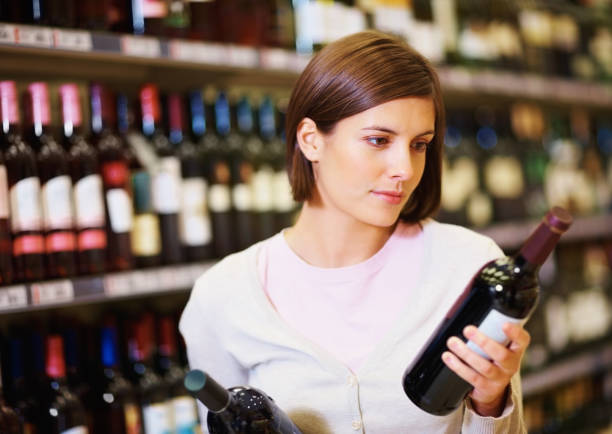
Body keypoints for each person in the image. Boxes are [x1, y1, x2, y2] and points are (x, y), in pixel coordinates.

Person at [180, 30, 528, 433]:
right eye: (378, 140)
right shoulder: (223, 296)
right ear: (311, 140)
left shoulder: (470, 267)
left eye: (420, 144)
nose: (405, 169)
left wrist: (491, 401)